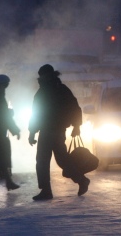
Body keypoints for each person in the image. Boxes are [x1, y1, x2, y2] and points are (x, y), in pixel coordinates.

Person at [28, 64, 88, 201]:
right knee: (46, 161)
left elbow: (74, 108)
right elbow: (36, 114)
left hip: (56, 130)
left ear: (49, 75)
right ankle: (47, 190)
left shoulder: (60, 90)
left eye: (42, 75)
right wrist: (32, 132)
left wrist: (77, 126)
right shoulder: (44, 92)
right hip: (47, 130)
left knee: (56, 160)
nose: (41, 78)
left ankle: (80, 181)